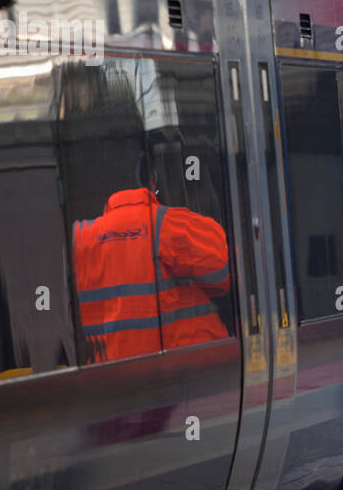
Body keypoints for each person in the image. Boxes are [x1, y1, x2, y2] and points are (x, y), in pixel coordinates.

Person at [72, 155, 231, 363]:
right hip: (185, 364)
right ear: (154, 180)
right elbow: (222, 272)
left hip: (110, 373)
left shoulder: (82, 237)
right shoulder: (165, 223)